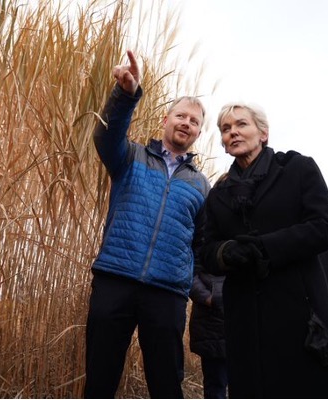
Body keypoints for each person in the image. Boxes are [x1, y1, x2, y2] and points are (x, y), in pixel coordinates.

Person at [84, 50, 211, 399]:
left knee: (167, 384)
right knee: (100, 378)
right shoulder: (131, 156)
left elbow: (201, 243)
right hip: (116, 278)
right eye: (180, 116)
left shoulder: (201, 185)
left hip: (167, 292)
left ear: (199, 132)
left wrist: (197, 290)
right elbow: (105, 138)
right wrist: (126, 95)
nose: (186, 123)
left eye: (194, 121)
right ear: (165, 120)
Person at [200, 102, 328, 398]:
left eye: (241, 124)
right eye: (226, 129)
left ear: (263, 133)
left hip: (301, 313)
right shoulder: (217, 195)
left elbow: (327, 227)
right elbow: (206, 251)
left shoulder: (298, 169)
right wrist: (227, 252)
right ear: (223, 144)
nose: (233, 132)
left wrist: (267, 247)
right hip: (245, 320)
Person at [189, 268, 227, 398]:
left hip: (242, 320)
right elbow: (189, 270)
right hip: (211, 323)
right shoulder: (201, 247)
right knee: (215, 385)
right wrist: (208, 298)